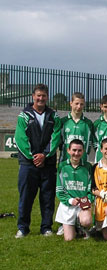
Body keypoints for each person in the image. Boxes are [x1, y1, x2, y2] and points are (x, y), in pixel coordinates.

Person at [14, 83, 61, 238]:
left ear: (47, 97)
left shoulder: (53, 116)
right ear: (33, 96)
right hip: (29, 164)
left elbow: (56, 136)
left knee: (47, 198)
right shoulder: (24, 115)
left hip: (47, 164)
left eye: (44, 96)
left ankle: (46, 227)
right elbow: (20, 138)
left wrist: (45, 155)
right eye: (38, 95)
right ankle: (23, 228)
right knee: (26, 197)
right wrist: (33, 156)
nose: (41, 98)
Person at [55, 139, 93, 241]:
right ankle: (73, 226)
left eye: (79, 151)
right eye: (74, 150)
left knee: (87, 221)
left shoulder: (88, 167)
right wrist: (70, 200)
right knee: (69, 239)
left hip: (82, 204)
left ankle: (83, 227)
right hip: (68, 204)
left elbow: (91, 189)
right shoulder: (62, 166)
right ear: (68, 150)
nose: (76, 153)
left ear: (83, 151)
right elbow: (59, 190)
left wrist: (86, 201)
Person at [59, 92, 94, 163]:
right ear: (71, 103)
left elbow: (89, 143)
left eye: (81, 104)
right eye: (76, 103)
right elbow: (60, 142)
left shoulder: (88, 123)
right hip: (65, 161)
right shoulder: (63, 122)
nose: (79, 107)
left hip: (82, 162)